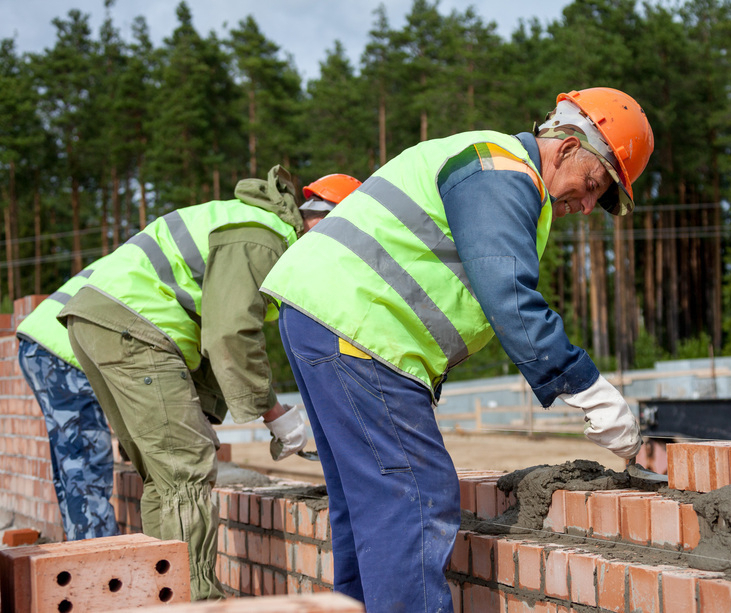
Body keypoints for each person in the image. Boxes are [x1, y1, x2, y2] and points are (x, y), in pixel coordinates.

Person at [260, 87, 655, 612]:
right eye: (592, 185)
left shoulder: (499, 173)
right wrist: (587, 388)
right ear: (566, 148)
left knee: (365, 503)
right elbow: (509, 298)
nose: (585, 207)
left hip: (325, 321)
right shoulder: (501, 169)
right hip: (361, 329)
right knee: (416, 497)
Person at [60, 167, 361, 600]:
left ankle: (159, 595)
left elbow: (207, 327)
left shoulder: (253, 223)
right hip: (135, 323)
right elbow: (228, 332)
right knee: (186, 468)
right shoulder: (262, 235)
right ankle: (195, 600)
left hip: (101, 319)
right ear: (327, 219)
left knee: (163, 480)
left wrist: (204, 408)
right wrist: (273, 412)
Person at [16, 259, 119, 541]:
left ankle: (79, 552)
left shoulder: (140, 257)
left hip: (40, 341)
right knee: (86, 466)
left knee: (72, 462)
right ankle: (102, 565)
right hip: (64, 350)